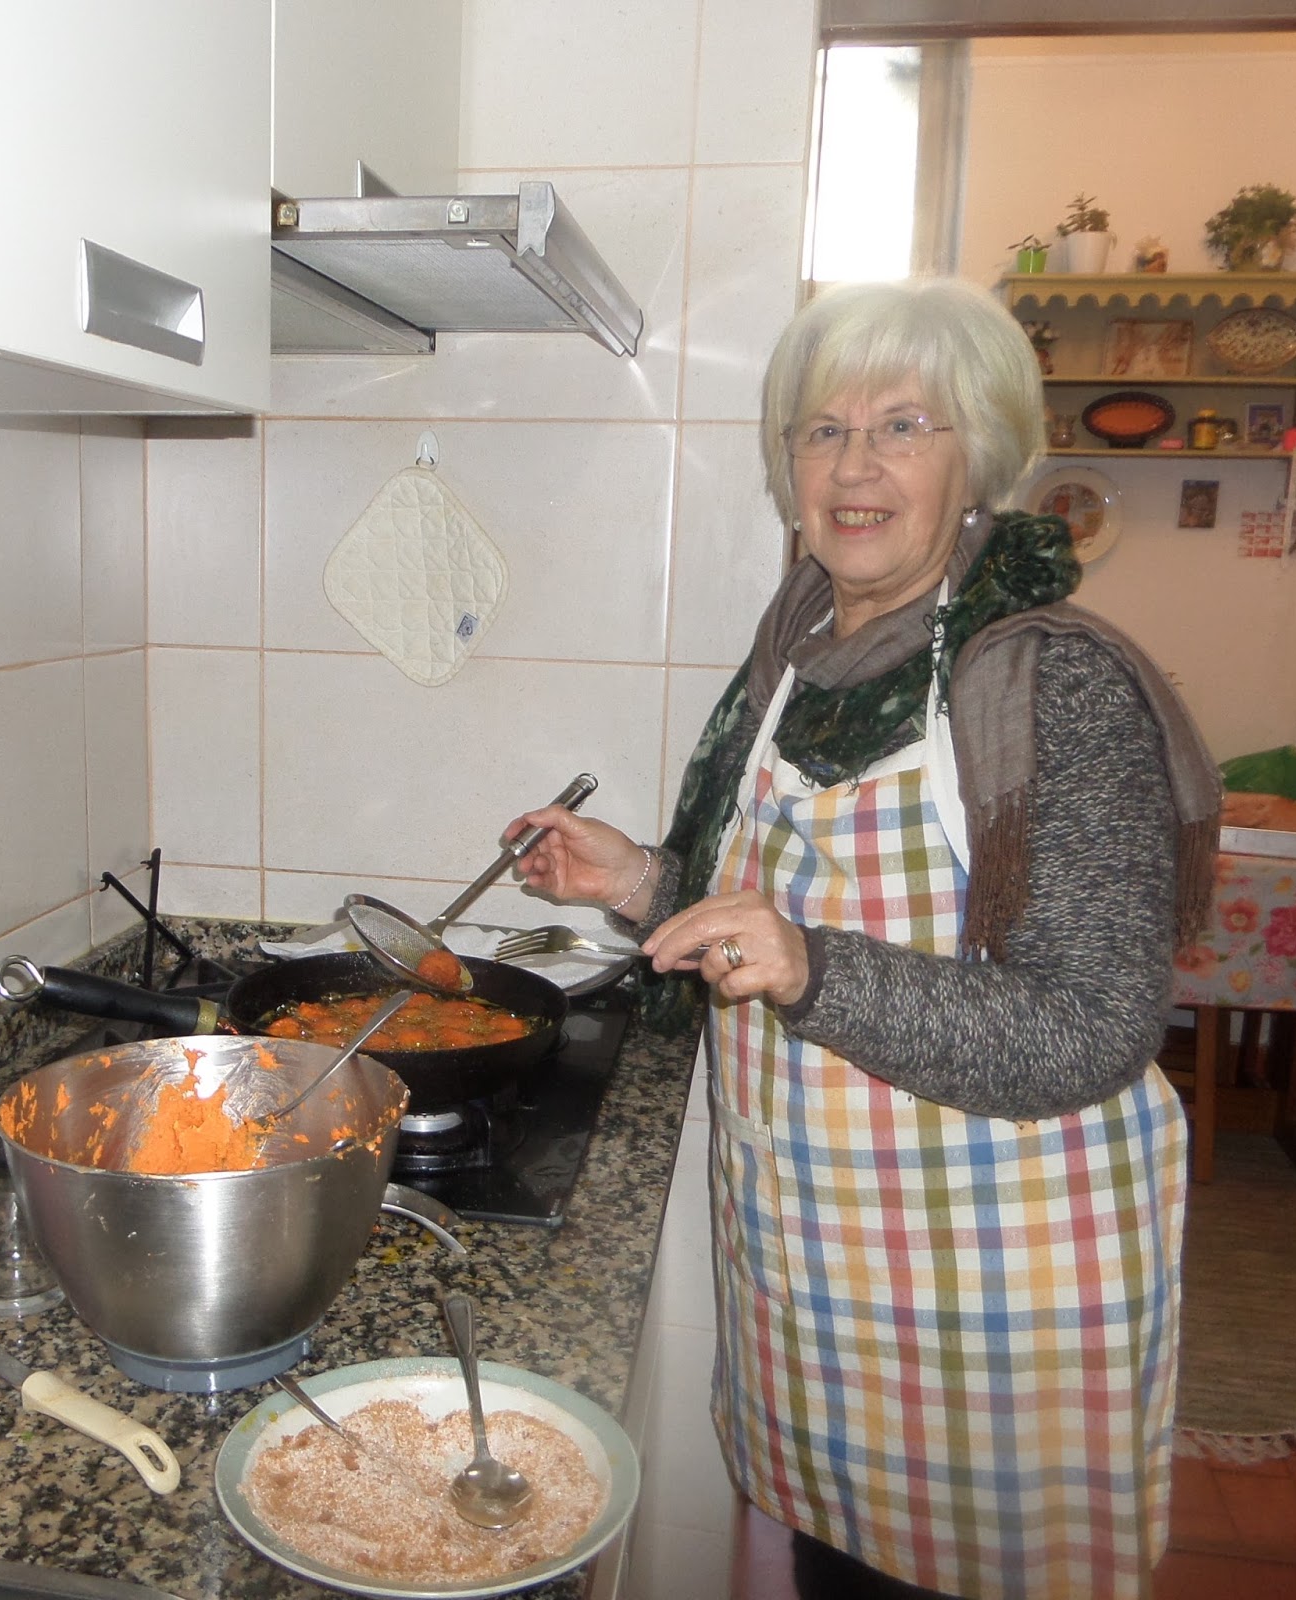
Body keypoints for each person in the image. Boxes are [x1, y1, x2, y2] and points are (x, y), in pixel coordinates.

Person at [509, 277, 1222, 1599]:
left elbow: (1092, 1029)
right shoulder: (793, 656)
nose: (854, 467)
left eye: (903, 426)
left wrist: (815, 970)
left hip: (996, 1296)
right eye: (823, 430)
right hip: (819, 1272)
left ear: (979, 459)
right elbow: (772, 919)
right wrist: (643, 884)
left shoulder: (1048, 678)